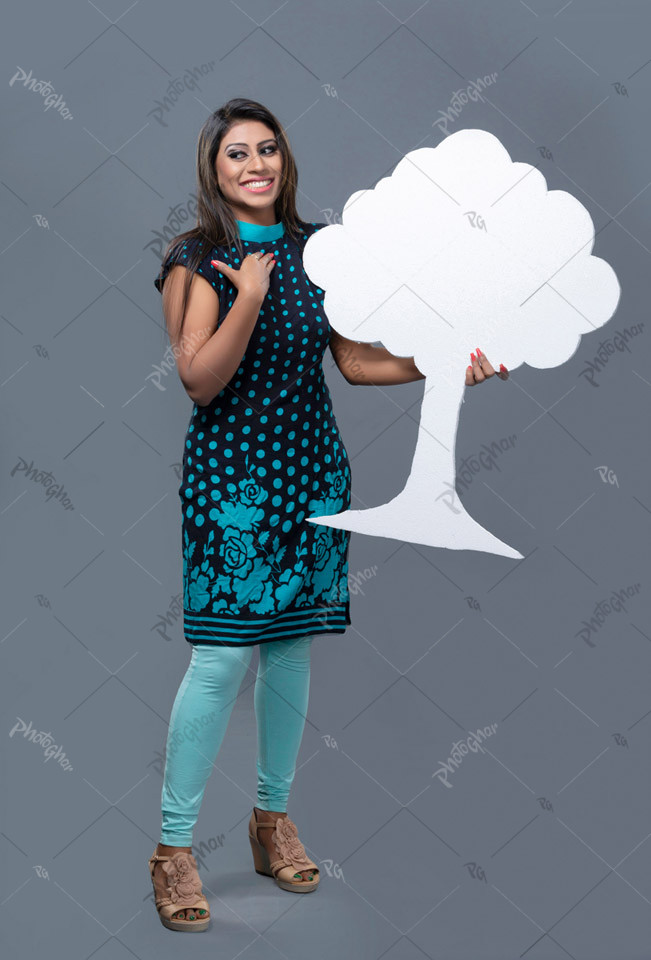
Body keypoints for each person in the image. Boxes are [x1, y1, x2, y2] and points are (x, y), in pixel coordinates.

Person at [147, 97, 508, 932]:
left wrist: (450, 363)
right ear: (214, 170)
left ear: (284, 159)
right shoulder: (193, 259)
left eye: (267, 149)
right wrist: (247, 294)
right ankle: (172, 852)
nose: (256, 165)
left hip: (311, 475)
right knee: (218, 662)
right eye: (236, 154)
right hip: (232, 484)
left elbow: (351, 360)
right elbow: (198, 379)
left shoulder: (320, 252)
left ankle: (271, 822)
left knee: (291, 652)